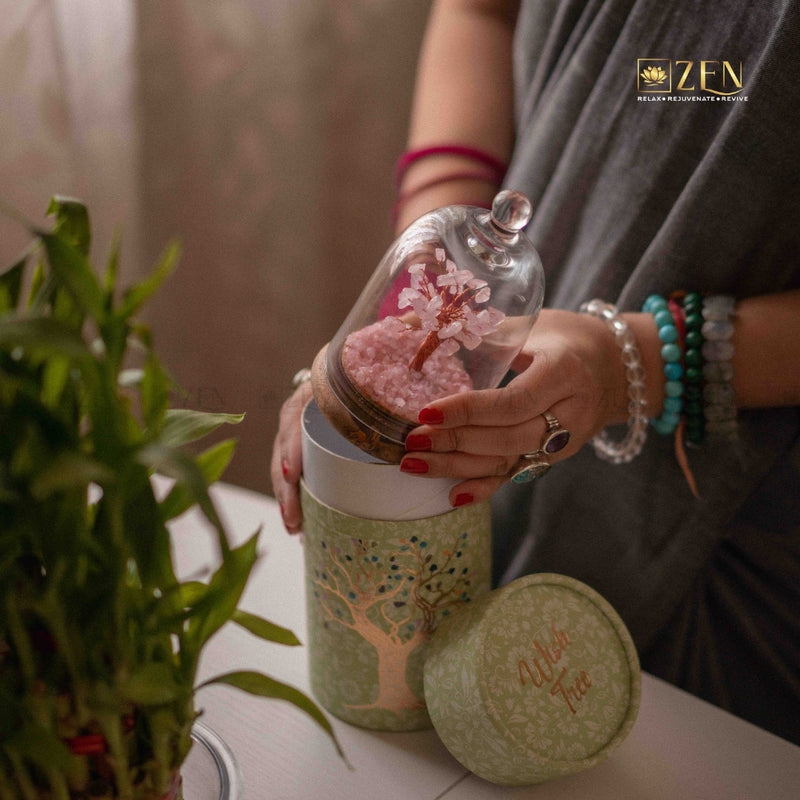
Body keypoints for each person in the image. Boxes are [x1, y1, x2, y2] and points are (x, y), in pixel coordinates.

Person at [272, 0, 800, 744]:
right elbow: (481, 12)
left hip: (728, 533)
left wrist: (630, 367)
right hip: (509, 407)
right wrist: (432, 264)